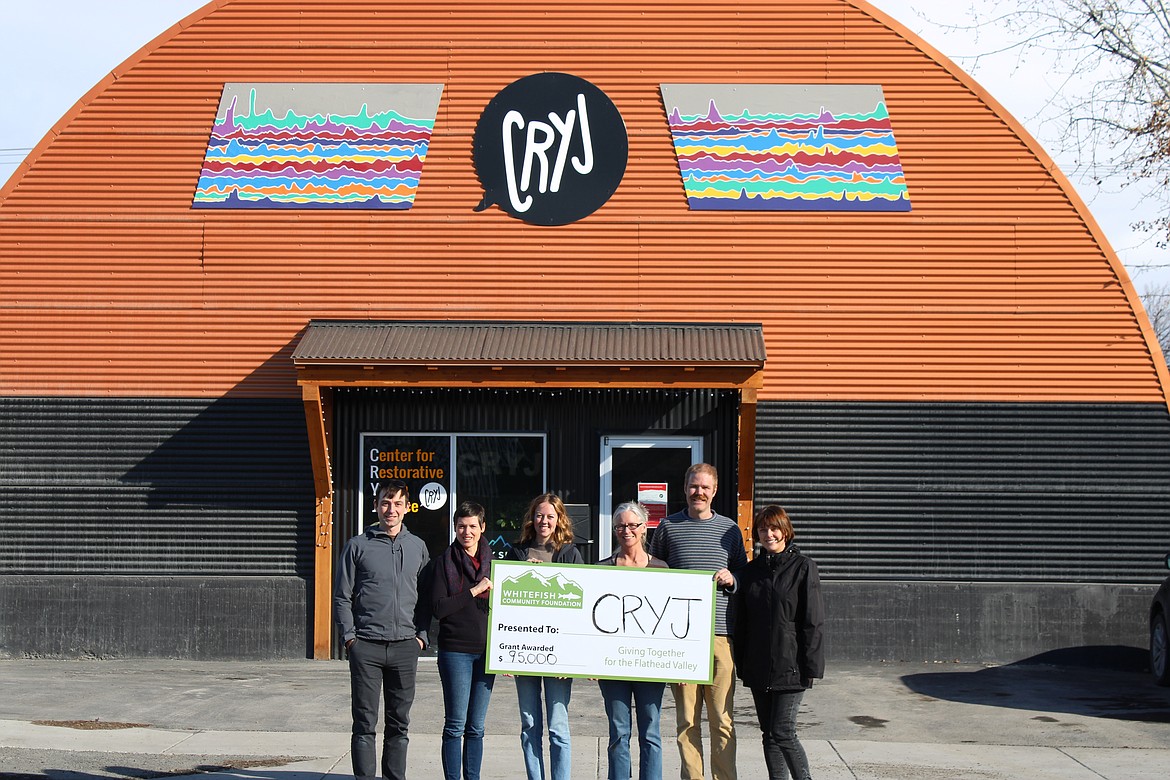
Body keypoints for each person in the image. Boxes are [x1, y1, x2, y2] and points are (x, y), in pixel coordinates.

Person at [647, 462, 747, 780]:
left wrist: (734, 577)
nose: (698, 492)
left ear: (714, 491)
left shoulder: (730, 529)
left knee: (722, 720)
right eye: (693, 486)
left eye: (704, 487)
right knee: (687, 721)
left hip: (720, 637)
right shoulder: (667, 527)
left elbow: (744, 575)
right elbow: (654, 572)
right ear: (685, 488)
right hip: (681, 640)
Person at [333, 479, 431, 780]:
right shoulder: (357, 546)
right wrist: (350, 638)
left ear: (407, 508)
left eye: (398, 503)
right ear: (375, 506)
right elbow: (341, 596)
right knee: (364, 722)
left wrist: (421, 638)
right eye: (385, 503)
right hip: (367, 646)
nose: (391, 509)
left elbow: (426, 597)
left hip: (405, 646)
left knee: (399, 723)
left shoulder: (417, 547)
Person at [733, 505, 824, 780]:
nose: (768, 534)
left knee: (783, 732)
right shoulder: (751, 571)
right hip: (759, 665)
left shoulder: (803, 567)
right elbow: (743, 622)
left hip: (791, 666)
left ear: (786, 531)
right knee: (769, 735)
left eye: (774, 528)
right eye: (763, 529)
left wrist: (811, 667)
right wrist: (743, 663)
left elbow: (813, 620)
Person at [507, 492, 585, 780]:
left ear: (559, 519)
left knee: (558, 726)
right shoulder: (517, 551)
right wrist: (506, 653)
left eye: (550, 516)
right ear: (532, 517)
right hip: (525, 649)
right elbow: (507, 606)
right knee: (529, 724)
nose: (544, 520)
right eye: (540, 515)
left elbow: (579, 603)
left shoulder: (569, 553)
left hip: (558, 653)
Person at [596, 501, 669, 780]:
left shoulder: (662, 568)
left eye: (632, 525)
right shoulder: (602, 569)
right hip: (613, 666)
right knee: (618, 732)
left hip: (650, 665)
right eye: (620, 526)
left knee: (650, 731)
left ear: (644, 527)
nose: (626, 530)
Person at [432, 501, 496, 780]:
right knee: (455, 725)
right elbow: (439, 608)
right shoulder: (444, 562)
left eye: (472, 526)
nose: (466, 532)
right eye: (461, 526)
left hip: (486, 653)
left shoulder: (494, 564)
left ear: (482, 528)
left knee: (477, 727)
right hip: (455, 651)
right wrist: (474, 590)